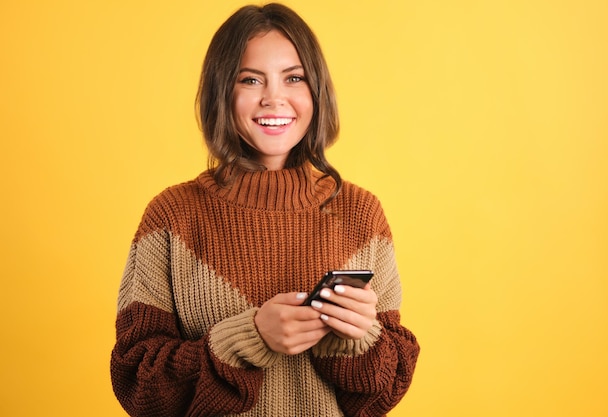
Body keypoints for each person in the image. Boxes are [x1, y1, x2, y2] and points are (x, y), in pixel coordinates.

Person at [110, 3, 419, 416]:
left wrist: (358, 338)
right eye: (251, 79)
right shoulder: (171, 217)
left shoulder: (361, 214)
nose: (275, 98)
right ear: (223, 92)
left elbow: (380, 396)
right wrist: (249, 338)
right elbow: (137, 386)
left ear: (317, 92)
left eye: (294, 78)